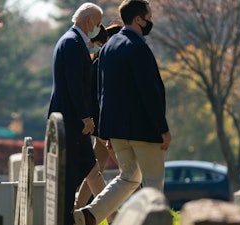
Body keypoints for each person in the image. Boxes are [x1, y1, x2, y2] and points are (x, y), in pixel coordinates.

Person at [73, 1, 172, 225]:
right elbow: (150, 92)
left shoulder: (108, 47)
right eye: (149, 16)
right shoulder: (138, 47)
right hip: (144, 129)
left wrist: (105, 131)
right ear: (139, 19)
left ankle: (91, 214)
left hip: (117, 130)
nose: (151, 21)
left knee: (128, 178)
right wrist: (162, 129)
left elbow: (102, 92)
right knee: (154, 182)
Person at [47, 3, 106, 225]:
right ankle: (69, 218)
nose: (98, 28)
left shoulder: (69, 40)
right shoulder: (73, 43)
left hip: (69, 118)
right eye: (98, 23)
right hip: (71, 120)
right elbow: (75, 85)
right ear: (89, 21)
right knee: (73, 171)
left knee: (86, 165)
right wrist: (86, 117)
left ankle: (81, 215)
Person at [74, 24, 123, 224]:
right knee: (130, 175)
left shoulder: (99, 60)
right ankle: (140, 212)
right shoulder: (104, 62)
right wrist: (106, 131)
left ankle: (76, 209)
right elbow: (99, 100)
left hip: (99, 127)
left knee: (94, 169)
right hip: (105, 129)